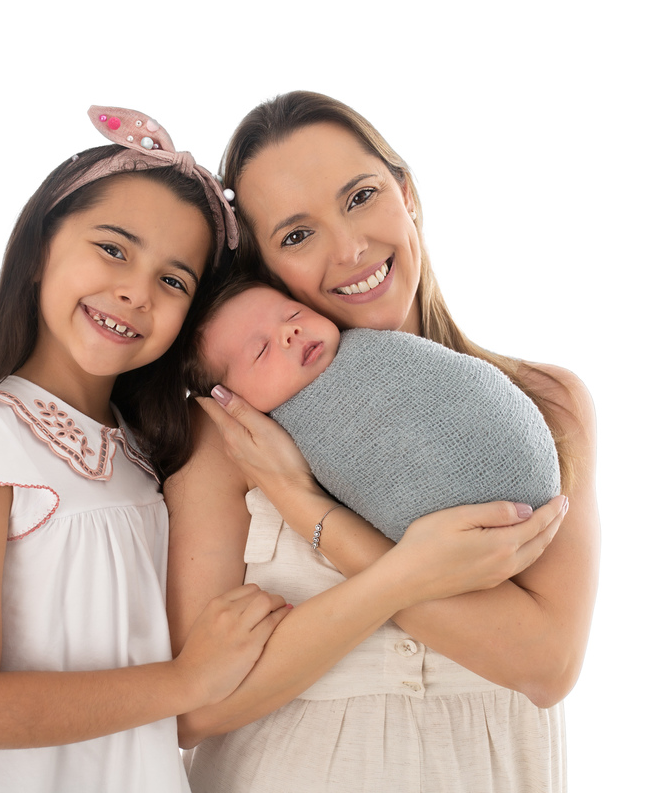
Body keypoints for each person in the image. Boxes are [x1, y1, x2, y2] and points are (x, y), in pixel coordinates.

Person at [165, 92, 599, 792]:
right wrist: (405, 574)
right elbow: (190, 710)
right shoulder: (232, 430)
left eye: (361, 197)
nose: (349, 249)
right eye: (297, 235)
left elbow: (547, 666)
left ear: (408, 196)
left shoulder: (546, 404)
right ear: (267, 267)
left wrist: (308, 510)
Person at [0, 106, 294, 792]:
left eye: (173, 281)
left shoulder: (144, 452)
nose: (136, 291)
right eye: (113, 249)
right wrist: (187, 680)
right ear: (39, 249)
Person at [184, 280, 561, 543]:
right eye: (261, 350)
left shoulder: (378, 349)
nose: (289, 333)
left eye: (293, 314)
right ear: (228, 398)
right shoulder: (239, 449)